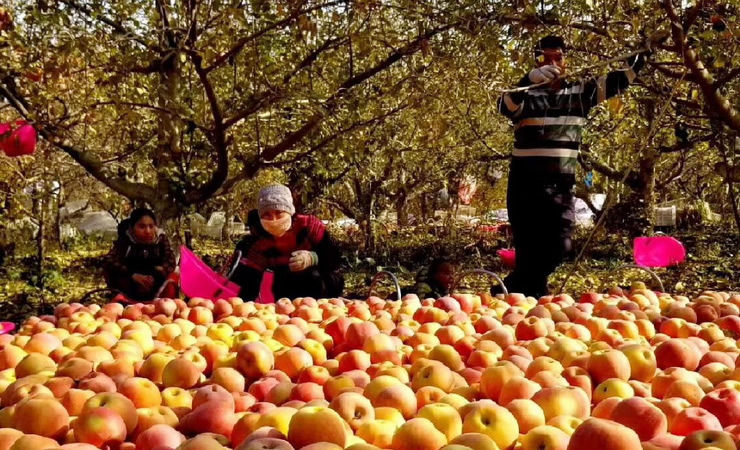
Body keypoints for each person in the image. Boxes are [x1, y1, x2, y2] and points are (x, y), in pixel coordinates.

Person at [497, 35, 650, 298]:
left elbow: (619, 80)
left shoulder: (580, 94)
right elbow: (505, 106)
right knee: (528, 249)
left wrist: (644, 52)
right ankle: (529, 305)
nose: (552, 63)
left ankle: (513, 286)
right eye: (545, 58)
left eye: (557, 57)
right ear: (536, 61)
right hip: (524, 183)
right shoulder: (526, 95)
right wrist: (528, 79)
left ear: (566, 61)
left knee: (561, 245)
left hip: (560, 183)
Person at [231, 184, 344, 300]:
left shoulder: (309, 227)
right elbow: (250, 281)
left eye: (279, 212)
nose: (273, 220)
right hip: (287, 298)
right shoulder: (261, 244)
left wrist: (312, 257)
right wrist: (243, 307)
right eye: (267, 215)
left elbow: (335, 257)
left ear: (290, 211)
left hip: (323, 291)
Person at [103, 208, 178, 301]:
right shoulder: (125, 242)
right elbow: (109, 260)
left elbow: (170, 260)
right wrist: (132, 275)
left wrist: (161, 270)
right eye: (142, 227)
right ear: (132, 228)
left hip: (157, 286)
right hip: (130, 288)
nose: (147, 231)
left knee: (173, 279)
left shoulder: (161, 241)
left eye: (151, 226)